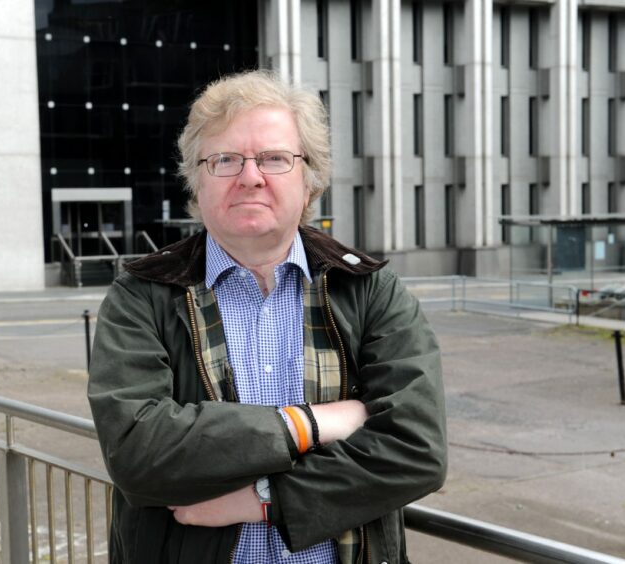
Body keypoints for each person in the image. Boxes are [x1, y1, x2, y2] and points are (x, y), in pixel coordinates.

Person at [88, 70, 446, 564]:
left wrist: (266, 502)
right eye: (225, 159)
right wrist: (309, 425)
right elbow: (136, 452)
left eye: (275, 158)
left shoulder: (368, 288)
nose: (250, 176)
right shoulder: (142, 295)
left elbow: (416, 449)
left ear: (309, 177)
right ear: (197, 177)